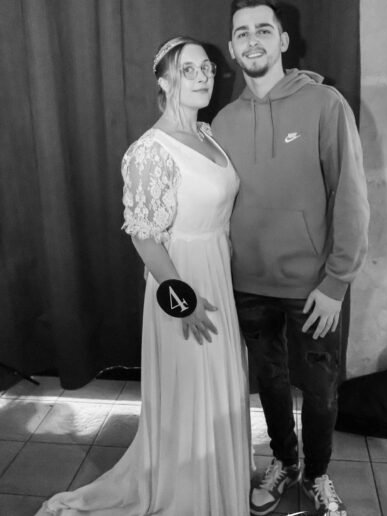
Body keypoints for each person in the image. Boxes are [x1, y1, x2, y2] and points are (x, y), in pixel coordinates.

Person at [35, 36, 250, 516]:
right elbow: (144, 238)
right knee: (190, 395)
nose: (202, 77)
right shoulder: (150, 151)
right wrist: (185, 303)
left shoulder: (208, 134)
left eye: (207, 68)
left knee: (219, 391)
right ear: (165, 81)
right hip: (182, 283)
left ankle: (218, 490)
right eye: (188, 69)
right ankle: (187, 496)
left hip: (216, 271)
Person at [212, 2, 370, 515]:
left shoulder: (324, 104)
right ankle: (284, 460)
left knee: (320, 392)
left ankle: (318, 474)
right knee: (271, 384)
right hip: (247, 285)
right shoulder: (224, 121)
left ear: (282, 41)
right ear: (232, 49)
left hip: (313, 287)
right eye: (242, 33)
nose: (252, 40)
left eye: (263, 30)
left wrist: (337, 281)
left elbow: (351, 196)